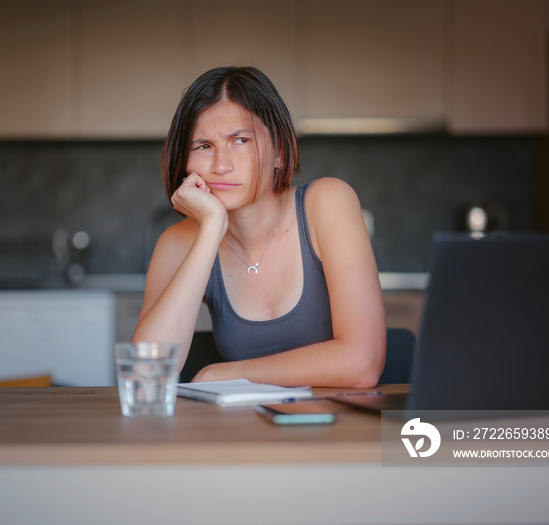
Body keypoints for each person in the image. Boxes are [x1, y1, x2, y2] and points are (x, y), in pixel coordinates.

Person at [132, 66, 385, 387]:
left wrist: (220, 373)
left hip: (340, 429)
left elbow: (362, 363)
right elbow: (145, 375)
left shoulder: (328, 202)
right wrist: (211, 228)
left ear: (279, 150)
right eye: (204, 146)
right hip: (246, 433)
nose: (220, 166)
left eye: (240, 140)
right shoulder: (178, 242)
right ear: (185, 161)